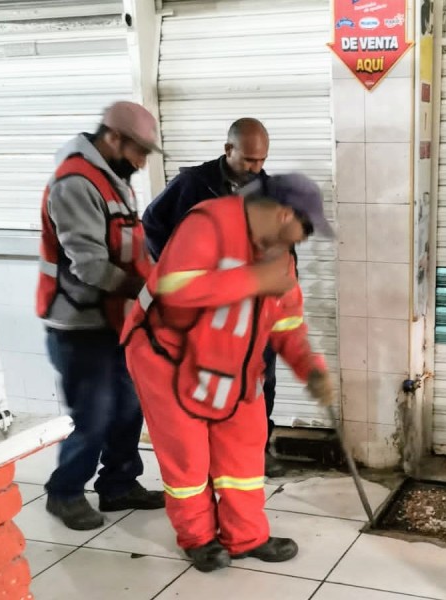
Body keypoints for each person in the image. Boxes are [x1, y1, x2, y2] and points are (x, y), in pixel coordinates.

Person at [121, 172, 335, 573]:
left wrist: (312, 369)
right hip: (166, 357)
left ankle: (246, 536)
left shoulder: (280, 254)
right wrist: (254, 279)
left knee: (243, 451)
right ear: (284, 213)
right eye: (305, 228)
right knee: (187, 458)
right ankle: (199, 539)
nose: (304, 239)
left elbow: (287, 322)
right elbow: (175, 288)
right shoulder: (209, 223)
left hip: (234, 363)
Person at [36, 101, 166, 530]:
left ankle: (119, 484)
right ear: (114, 138)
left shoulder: (113, 180)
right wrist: (149, 290)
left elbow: (128, 246)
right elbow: (89, 265)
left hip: (115, 320)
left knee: (129, 407)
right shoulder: (75, 183)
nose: (142, 161)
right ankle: (65, 491)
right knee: (93, 414)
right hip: (79, 325)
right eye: (139, 151)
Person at [142, 118, 289, 477]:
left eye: (262, 160)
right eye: (249, 160)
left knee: (259, 379)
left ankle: (257, 450)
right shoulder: (195, 184)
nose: (256, 168)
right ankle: (208, 458)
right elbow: (151, 223)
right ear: (228, 150)